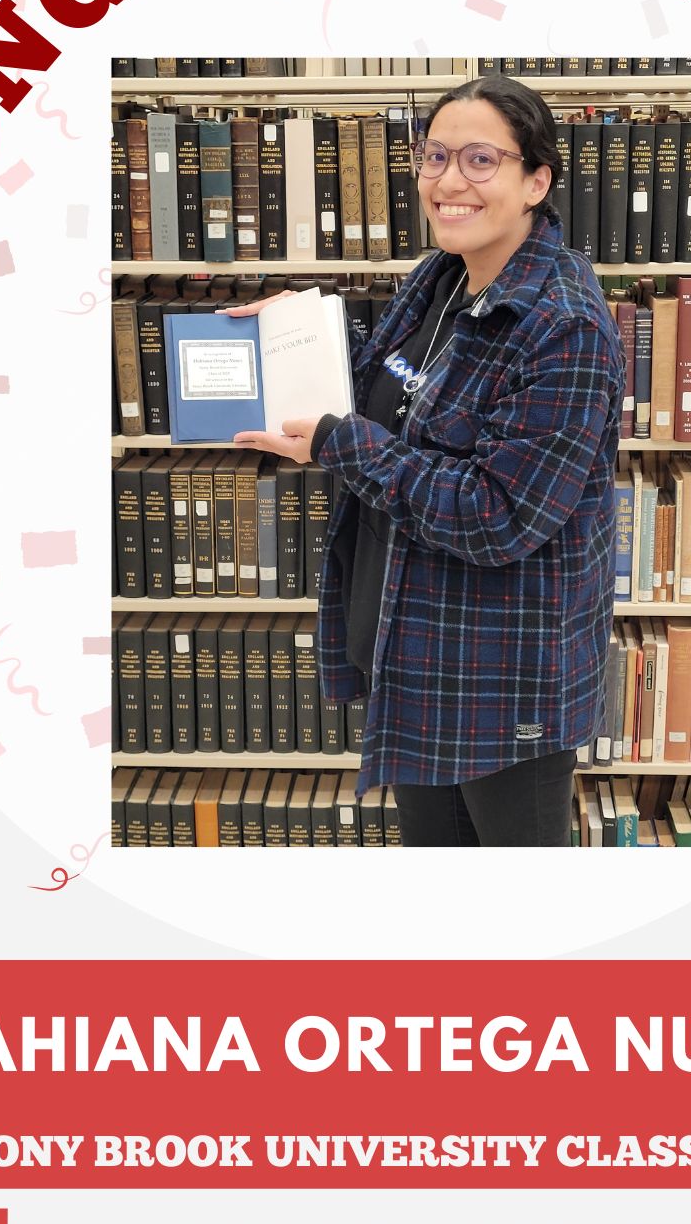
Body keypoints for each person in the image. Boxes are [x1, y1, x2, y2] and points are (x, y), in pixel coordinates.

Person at [233, 74, 623, 847]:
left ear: (535, 180)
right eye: (434, 155)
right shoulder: (444, 275)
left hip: (500, 682)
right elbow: (402, 394)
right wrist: (293, 334)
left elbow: (496, 516)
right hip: (415, 657)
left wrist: (340, 445)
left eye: (481, 160)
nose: (448, 181)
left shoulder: (562, 327)